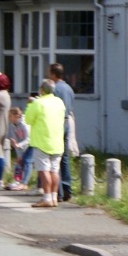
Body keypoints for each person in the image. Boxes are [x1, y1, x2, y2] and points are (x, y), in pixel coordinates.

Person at [23, 79, 66, 207]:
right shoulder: (59, 102)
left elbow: (28, 119)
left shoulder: (39, 103)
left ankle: (46, 197)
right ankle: (54, 197)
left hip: (42, 141)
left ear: (42, 90)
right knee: (54, 170)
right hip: (57, 141)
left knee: (44, 170)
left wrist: (30, 104)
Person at [47, 63, 75, 201]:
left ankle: (57, 192)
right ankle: (67, 188)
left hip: (56, 123)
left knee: (54, 157)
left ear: (53, 74)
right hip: (66, 122)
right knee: (64, 158)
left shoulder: (54, 89)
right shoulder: (68, 88)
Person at [6, 106, 31, 190]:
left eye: (10, 116)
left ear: (15, 115)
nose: (8, 118)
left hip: (31, 144)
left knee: (27, 161)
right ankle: (18, 181)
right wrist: (19, 155)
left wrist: (19, 145)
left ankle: (24, 183)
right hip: (21, 146)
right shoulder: (12, 125)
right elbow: (14, 140)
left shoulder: (24, 124)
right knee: (20, 163)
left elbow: (28, 138)